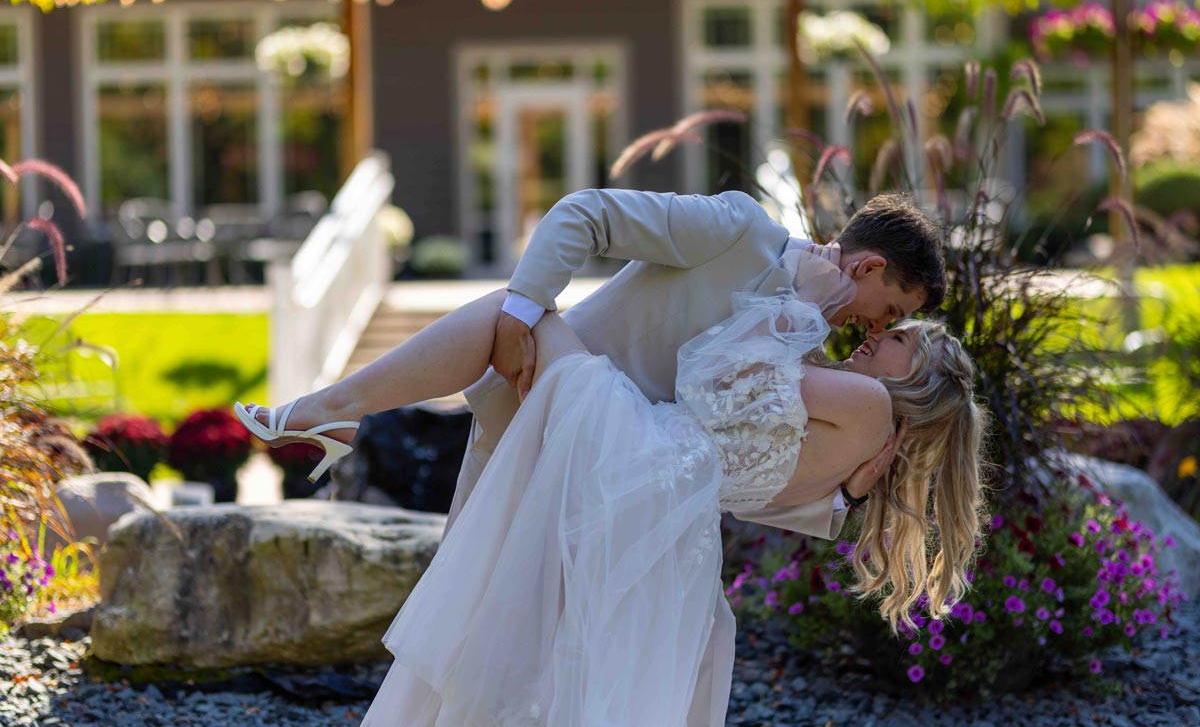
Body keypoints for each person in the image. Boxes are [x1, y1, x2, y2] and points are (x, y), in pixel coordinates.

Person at [352, 290, 987, 724]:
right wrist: (845, 495)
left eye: (897, 338)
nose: (874, 335)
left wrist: (799, 303)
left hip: (638, 453)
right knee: (562, 666)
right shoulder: (854, 464)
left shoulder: (869, 405)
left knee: (518, 309)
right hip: (667, 517)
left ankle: (336, 408)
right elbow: (751, 490)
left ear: (918, 377)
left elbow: (716, 377)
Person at [237, 189, 947, 544]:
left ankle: (331, 412)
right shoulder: (741, 231)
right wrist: (522, 315)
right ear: (868, 267)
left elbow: (743, 464)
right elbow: (584, 213)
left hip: (607, 481)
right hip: (537, 401)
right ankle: (333, 408)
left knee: (505, 639)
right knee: (461, 613)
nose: (875, 329)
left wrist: (843, 500)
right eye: (887, 311)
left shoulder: (803, 343)